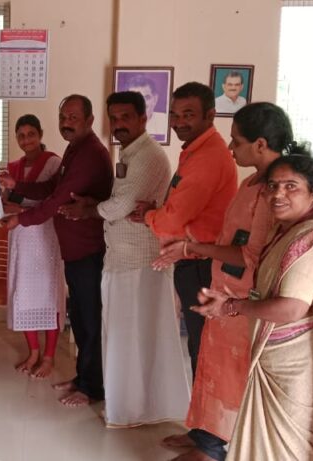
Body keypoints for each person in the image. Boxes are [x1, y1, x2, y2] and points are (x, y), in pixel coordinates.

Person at [193, 153, 313, 461]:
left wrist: (231, 306)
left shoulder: (310, 239)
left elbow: (291, 309)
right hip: (280, 361)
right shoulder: (288, 229)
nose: (278, 194)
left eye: (291, 186)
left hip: (295, 369)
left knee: (289, 447)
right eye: (273, 186)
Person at [155, 102, 286, 461]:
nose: (231, 148)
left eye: (237, 141)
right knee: (210, 362)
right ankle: (205, 434)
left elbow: (249, 255)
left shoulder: (274, 191)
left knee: (231, 372)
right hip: (223, 287)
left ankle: (215, 448)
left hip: (245, 298)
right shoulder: (251, 182)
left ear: (261, 144)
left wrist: (191, 247)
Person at [59, 91, 187, 424]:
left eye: (126, 117)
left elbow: (120, 206)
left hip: (140, 262)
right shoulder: (128, 153)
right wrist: (96, 205)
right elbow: (119, 201)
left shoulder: (148, 156)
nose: (118, 124)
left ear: (144, 118)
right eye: (114, 118)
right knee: (120, 334)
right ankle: (122, 402)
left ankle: (135, 409)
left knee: (134, 337)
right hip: (121, 258)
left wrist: (88, 210)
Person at [0, 94, 113, 407]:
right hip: (73, 248)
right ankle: (83, 378)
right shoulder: (75, 149)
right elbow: (51, 189)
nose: (67, 122)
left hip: (88, 248)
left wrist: (20, 219)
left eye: (73, 117)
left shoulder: (90, 153)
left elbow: (56, 200)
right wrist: (17, 185)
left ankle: (92, 388)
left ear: (90, 120)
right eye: (63, 117)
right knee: (81, 318)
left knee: (89, 321)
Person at [130, 82, 238, 379]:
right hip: (193, 259)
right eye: (174, 115)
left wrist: (149, 216)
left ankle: (204, 410)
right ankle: (201, 407)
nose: (178, 122)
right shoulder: (195, 151)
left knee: (203, 344)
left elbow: (173, 219)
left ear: (210, 115)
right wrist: (157, 211)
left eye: (188, 114)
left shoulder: (207, 158)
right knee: (198, 341)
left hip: (202, 263)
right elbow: (180, 206)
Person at [2, 114, 65, 379]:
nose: (26, 140)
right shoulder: (14, 167)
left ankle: (48, 356)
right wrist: (5, 204)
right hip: (20, 236)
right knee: (24, 293)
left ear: (40, 134)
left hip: (45, 235)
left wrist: (20, 209)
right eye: (21, 135)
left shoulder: (53, 163)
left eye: (31, 134)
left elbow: (52, 201)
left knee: (48, 295)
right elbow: (7, 199)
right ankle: (33, 353)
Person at [126, 74, 168, 142]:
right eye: (134, 99)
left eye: (146, 97)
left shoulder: (165, 121)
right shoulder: (121, 123)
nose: (141, 103)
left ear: (155, 99)